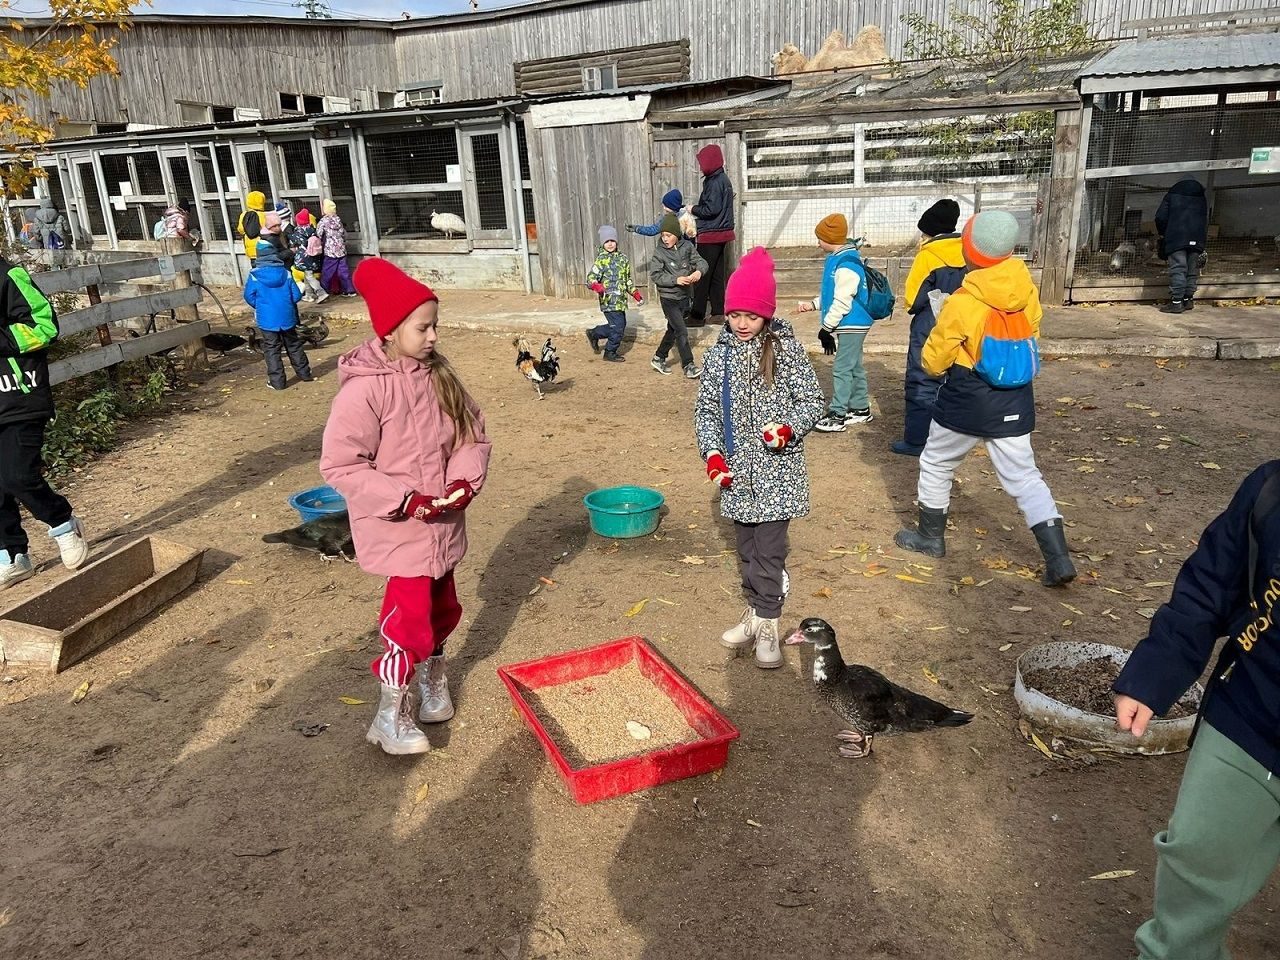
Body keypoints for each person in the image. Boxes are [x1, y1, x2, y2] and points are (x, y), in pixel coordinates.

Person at [320, 258, 492, 755]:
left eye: (436, 324)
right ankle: (388, 713)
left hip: (442, 525)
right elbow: (341, 466)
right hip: (401, 532)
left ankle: (432, 681)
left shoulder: (441, 377)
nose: (434, 335)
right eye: (423, 327)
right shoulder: (365, 392)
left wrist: (463, 479)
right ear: (391, 330)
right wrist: (406, 500)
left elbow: (470, 434)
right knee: (407, 621)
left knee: (443, 610)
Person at [1112, 459, 1280, 960]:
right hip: (1251, 711)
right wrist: (1153, 673)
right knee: (1195, 858)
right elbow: (1211, 582)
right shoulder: (1270, 489)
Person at [894, 210, 1075, 587]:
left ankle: (930, 537)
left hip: (967, 398)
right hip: (1014, 397)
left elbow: (935, 356)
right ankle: (1058, 558)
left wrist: (937, 368)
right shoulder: (1025, 289)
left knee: (936, 462)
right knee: (1025, 476)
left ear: (970, 250)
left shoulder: (964, 299)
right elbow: (1034, 328)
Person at [693, 247, 825, 668]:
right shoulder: (720, 352)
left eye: (751, 316)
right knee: (747, 551)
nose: (742, 324)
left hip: (777, 473)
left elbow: (812, 400)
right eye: (734, 315)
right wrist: (712, 453)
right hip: (736, 474)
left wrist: (787, 429)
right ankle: (754, 614)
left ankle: (769, 621)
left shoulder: (785, 349)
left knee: (769, 553)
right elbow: (707, 408)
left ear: (766, 314)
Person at [0, 254, 90, 589]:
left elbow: (45, 327)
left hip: (18, 397)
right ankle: (12, 555)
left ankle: (63, 523)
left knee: (18, 476)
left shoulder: (8, 276)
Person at [894, 198, 965, 456]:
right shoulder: (969, 251)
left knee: (922, 377)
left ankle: (917, 440)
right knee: (956, 377)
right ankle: (952, 439)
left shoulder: (928, 255)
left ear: (929, 231)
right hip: (964, 320)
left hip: (931, 323)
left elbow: (912, 299)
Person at [798, 213, 875, 433]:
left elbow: (843, 300)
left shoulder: (846, 263)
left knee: (841, 367)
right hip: (851, 322)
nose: (817, 242)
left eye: (820, 238)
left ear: (830, 239)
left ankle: (837, 413)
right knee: (854, 365)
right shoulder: (839, 258)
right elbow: (832, 294)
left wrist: (826, 328)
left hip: (852, 322)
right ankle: (860, 408)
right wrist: (812, 305)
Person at [244, 215, 311, 390]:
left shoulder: (254, 275)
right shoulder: (286, 273)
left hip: (267, 319)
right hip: (287, 316)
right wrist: (287, 303)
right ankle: (305, 374)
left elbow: (248, 296)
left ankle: (278, 382)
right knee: (294, 344)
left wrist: (260, 305)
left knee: (272, 350)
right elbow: (296, 295)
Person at [648, 213, 707, 378]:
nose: (665, 239)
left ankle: (659, 357)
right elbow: (655, 275)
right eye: (663, 235)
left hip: (684, 297)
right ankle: (688, 365)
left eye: (669, 235)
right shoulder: (659, 253)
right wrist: (676, 279)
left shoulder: (687, 247)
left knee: (673, 329)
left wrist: (698, 272)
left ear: (677, 234)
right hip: (668, 298)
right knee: (681, 330)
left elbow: (702, 262)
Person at [690, 144, 735, 326]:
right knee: (716, 275)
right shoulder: (722, 179)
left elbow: (711, 209)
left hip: (711, 233)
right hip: (722, 234)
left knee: (702, 274)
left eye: (702, 163)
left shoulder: (714, 182)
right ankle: (717, 311)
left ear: (710, 162)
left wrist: (692, 208)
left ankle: (697, 315)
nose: (700, 167)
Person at [585, 225, 643, 363]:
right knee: (618, 327)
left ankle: (594, 333)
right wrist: (596, 286)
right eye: (606, 241)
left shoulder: (623, 259)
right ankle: (610, 352)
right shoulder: (601, 260)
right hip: (608, 300)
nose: (610, 244)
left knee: (618, 326)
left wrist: (635, 294)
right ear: (602, 243)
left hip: (621, 301)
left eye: (612, 240)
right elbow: (590, 278)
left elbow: (627, 280)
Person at [1154, 178, 1208, 315]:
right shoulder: (1201, 198)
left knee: (1178, 267)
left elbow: (1161, 216)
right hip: (1197, 237)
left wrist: (1163, 232)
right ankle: (1188, 299)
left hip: (1176, 236)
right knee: (1192, 269)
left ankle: (1176, 303)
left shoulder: (1171, 196)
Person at [317, 198, 356, 297]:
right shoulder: (338, 219)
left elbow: (319, 233)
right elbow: (344, 234)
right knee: (343, 271)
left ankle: (324, 290)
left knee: (327, 271)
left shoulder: (323, 221)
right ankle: (349, 290)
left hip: (330, 250)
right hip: (341, 249)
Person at [292, 208, 328, 303]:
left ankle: (321, 293)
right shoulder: (313, 230)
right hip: (313, 257)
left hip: (304, 258)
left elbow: (294, 242)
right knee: (307, 275)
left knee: (309, 276)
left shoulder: (298, 232)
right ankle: (309, 294)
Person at [626, 189, 691, 238]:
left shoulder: (684, 217)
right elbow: (652, 230)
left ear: (673, 206)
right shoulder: (668, 218)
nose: (664, 208)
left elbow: (652, 231)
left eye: (666, 206)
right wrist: (637, 228)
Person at [236, 190, 267, 261]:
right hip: (264, 249)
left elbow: (240, 229)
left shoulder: (243, 215)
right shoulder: (265, 215)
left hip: (251, 251)